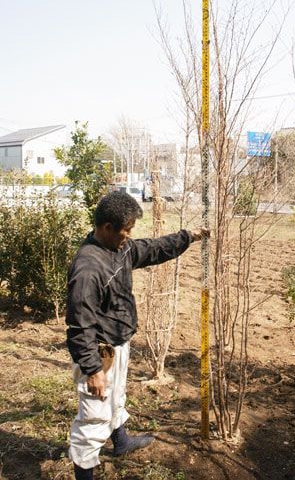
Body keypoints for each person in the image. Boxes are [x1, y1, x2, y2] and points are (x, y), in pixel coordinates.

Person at [66, 190, 210, 480]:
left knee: (116, 397)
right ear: (108, 227)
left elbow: (153, 248)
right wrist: (93, 370)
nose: (130, 236)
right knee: (94, 417)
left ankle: (121, 442)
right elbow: (80, 326)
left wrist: (188, 236)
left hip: (118, 343)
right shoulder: (88, 268)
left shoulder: (119, 248)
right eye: (127, 230)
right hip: (100, 352)